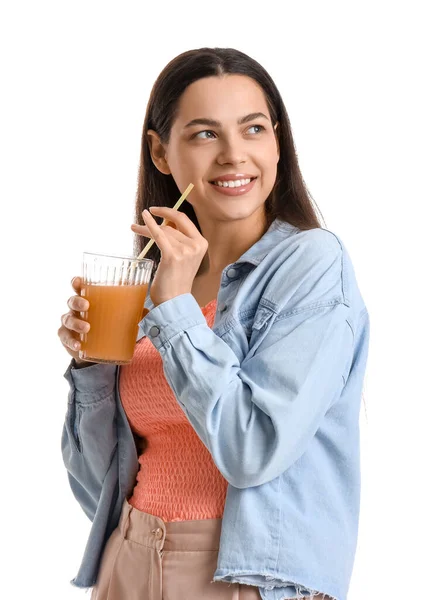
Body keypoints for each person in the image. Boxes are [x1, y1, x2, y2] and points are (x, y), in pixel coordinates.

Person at [59, 47, 370, 600]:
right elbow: (97, 487)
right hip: (128, 560)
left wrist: (177, 311)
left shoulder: (311, 264)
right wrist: (90, 368)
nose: (234, 154)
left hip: (240, 575)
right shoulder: (149, 286)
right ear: (160, 152)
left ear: (277, 140)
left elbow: (254, 452)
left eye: (253, 129)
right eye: (205, 134)